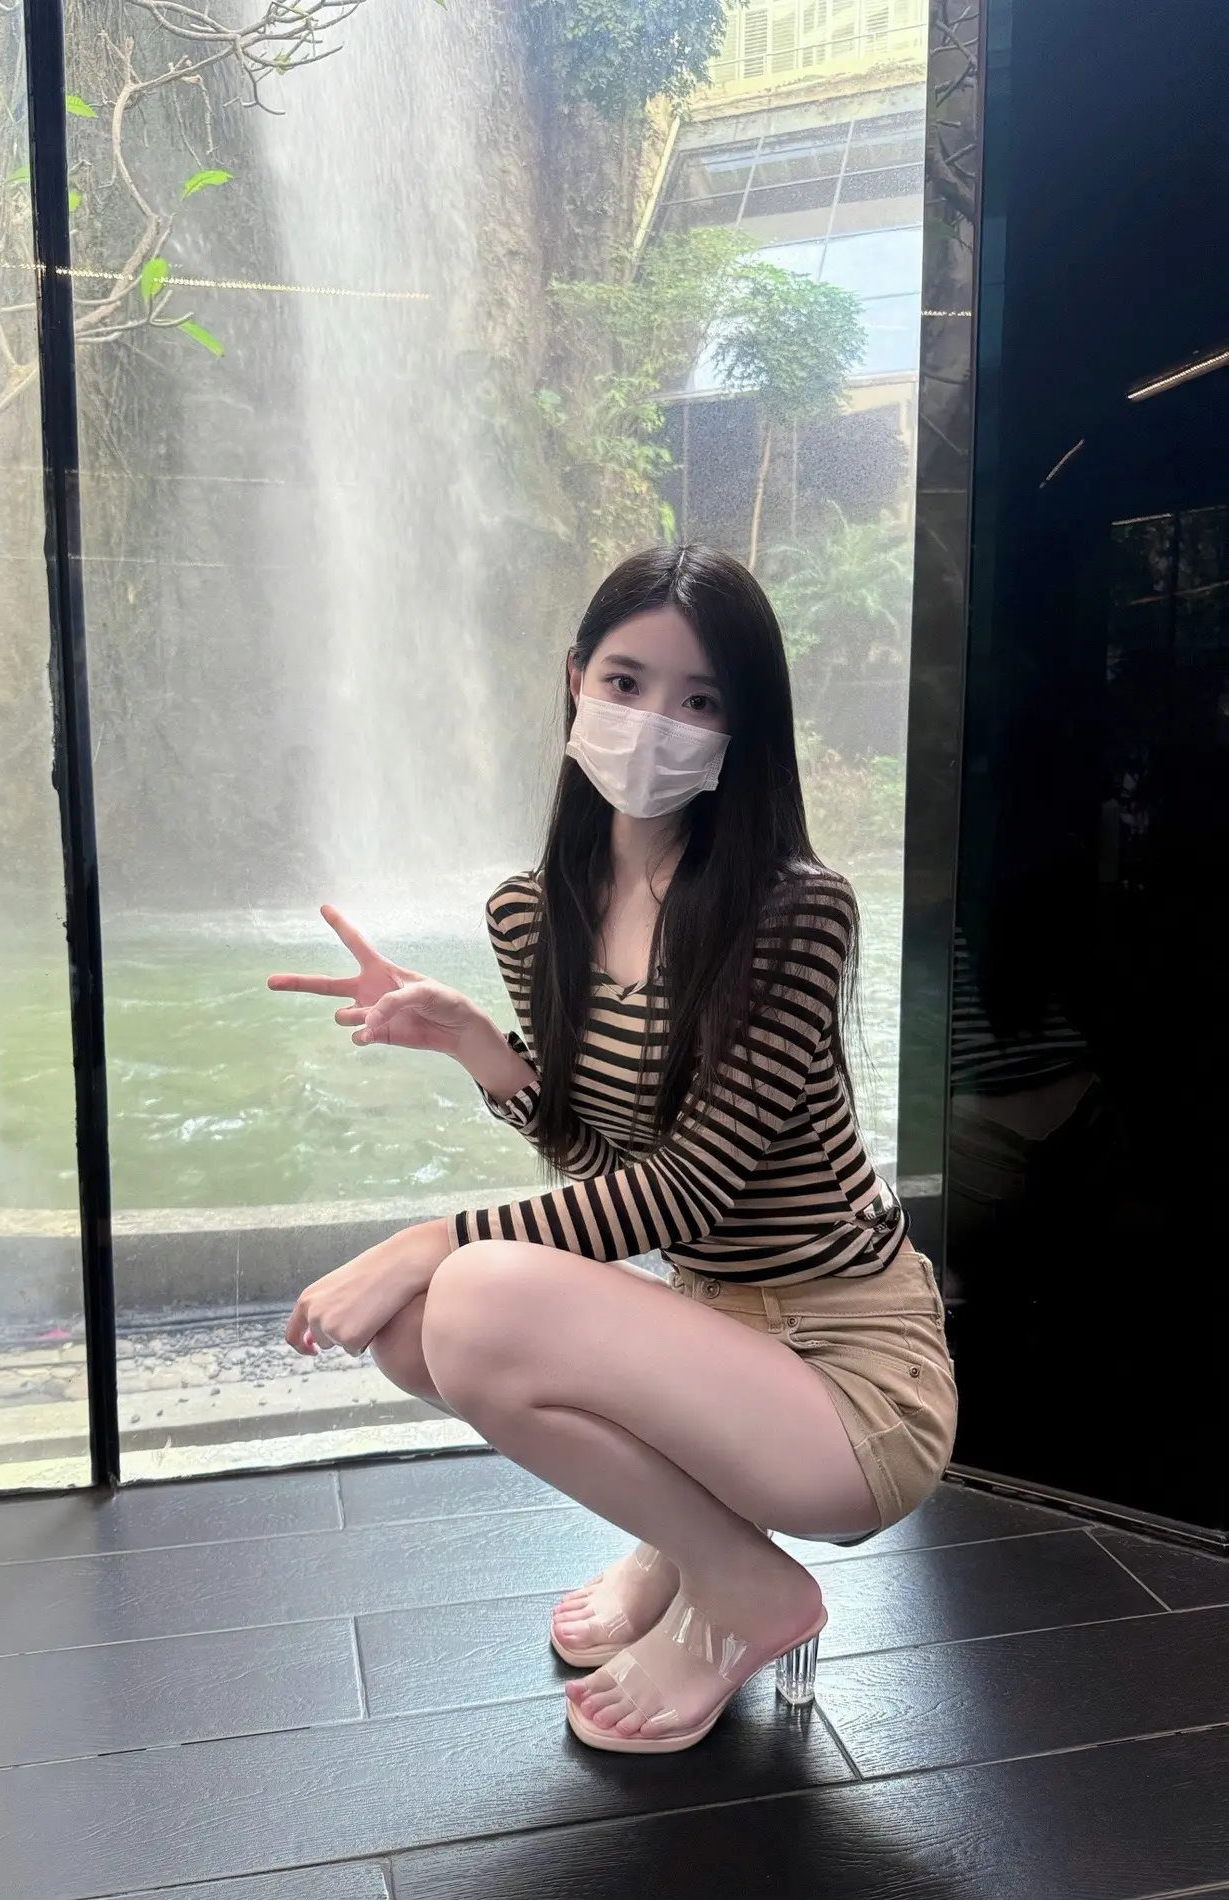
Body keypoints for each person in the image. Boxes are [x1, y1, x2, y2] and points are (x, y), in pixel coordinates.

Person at [267, 544, 957, 1755]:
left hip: (848, 1368)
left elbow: (689, 1188)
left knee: (465, 1290)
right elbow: (603, 1159)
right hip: (716, 1338)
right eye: (627, 683)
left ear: (742, 728)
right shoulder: (532, 911)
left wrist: (434, 1237)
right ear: (575, 678)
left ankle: (738, 1585)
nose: (654, 723)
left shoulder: (796, 910)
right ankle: (694, 1542)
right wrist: (484, 1052)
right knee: (419, 1330)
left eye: (700, 700)